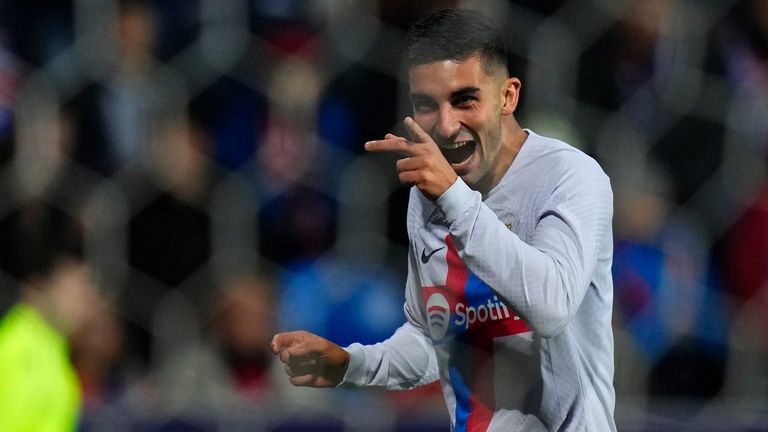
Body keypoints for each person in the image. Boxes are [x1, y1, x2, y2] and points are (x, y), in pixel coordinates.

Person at [272, 8, 616, 431]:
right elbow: (431, 340)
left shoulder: (570, 177)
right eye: (426, 105)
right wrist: (351, 363)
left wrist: (454, 197)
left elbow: (551, 307)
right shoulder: (428, 198)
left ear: (508, 96)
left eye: (465, 99)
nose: (447, 126)